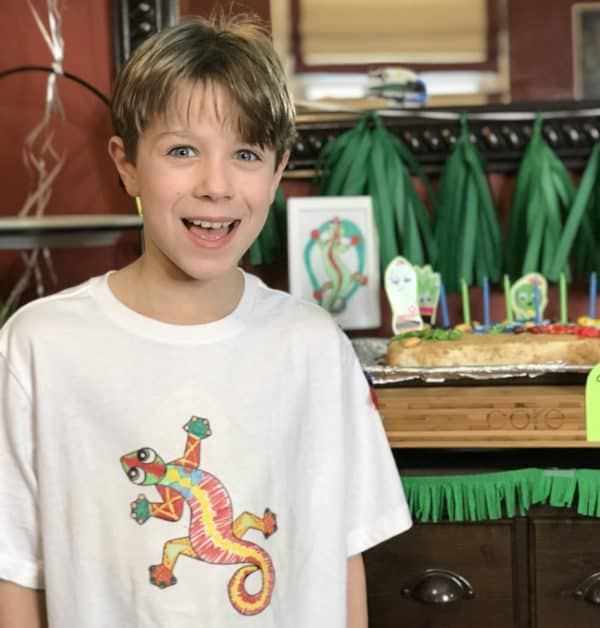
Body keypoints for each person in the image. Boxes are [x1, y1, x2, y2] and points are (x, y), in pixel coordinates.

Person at [0, 14, 411, 628]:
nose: (216, 185)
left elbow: (340, 556)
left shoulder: (314, 346)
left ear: (277, 173)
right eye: (182, 150)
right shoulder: (38, 346)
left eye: (245, 153)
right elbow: (16, 574)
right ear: (128, 163)